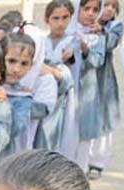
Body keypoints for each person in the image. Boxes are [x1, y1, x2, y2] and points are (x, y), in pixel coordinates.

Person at [88, 0, 124, 179]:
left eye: (113, 7)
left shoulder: (115, 27)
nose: (109, 10)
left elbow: (111, 42)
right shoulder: (83, 23)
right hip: (84, 79)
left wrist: (101, 31)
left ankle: (97, 162)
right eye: (106, 5)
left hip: (104, 81)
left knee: (104, 121)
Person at [1, 33, 57, 156]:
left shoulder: (24, 95)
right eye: (11, 61)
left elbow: (14, 129)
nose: (16, 69)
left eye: (24, 64)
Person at [41, 0, 80, 160]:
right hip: (44, 94)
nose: (60, 23)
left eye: (65, 18)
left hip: (64, 96)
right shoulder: (42, 41)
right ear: (47, 19)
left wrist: (72, 53)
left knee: (63, 133)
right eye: (55, 18)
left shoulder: (73, 41)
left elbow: (74, 59)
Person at [73, 0, 106, 173]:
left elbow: (98, 60)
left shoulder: (98, 37)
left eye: (95, 9)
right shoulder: (69, 32)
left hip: (87, 95)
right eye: (86, 9)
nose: (91, 13)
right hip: (69, 96)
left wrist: (86, 49)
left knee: (84, 140)